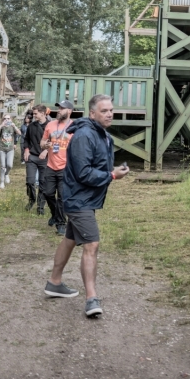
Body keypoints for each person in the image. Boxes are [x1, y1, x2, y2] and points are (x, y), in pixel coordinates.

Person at [44, 94, 129, 318]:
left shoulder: (102, 134)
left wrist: (111, 172)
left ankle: (54, 282)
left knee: (70, 239)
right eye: (104, 111)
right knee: (91, 244)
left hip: (85, 198)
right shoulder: (84, 135)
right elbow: (83, 173)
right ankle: (91, 298)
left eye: (111, 110)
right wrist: (112, 175)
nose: (110, 114)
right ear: (92, 114)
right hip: (78, 199)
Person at [40, 100, 74, 236]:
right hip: (50, 166)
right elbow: (42, 141)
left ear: (69, 111)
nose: (59, 110)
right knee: (47, 193)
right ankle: (55, 214)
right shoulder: (50, 124)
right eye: (59, 108)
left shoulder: (74, 126)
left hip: (66, 167)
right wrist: (44, 146)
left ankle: (61, 224)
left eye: (62, 108)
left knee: (61, 196)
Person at [23, 104, 48, 214]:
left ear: (42, 113)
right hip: (32, 156)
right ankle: (31, 199)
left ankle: (40, 206)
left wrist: (46, 150)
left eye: (35, 113)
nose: (33, 115)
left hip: (45, 158)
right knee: (30, 181)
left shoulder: (50, 126)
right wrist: (27, 149)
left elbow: (55, 141)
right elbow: (26, 139)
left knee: (43, 182)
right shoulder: (31, 126)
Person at [0, 114, 21, 189]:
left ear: (11, 119)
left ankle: (6, 174)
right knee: (3, 166)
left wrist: (14, 126)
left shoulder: (12, 127)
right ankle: (2, 181)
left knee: (10, 165)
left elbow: (19, 133)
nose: (7, 120)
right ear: (3, 120)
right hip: (2, 149)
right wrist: (1, 125)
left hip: (10, 149)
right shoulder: (2, 127)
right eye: (5, 118)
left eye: (8, 118)